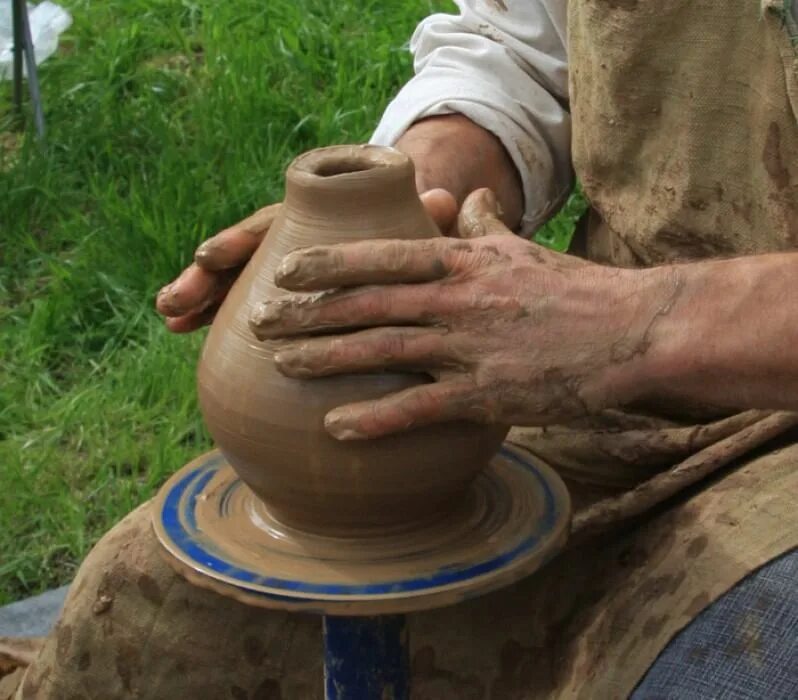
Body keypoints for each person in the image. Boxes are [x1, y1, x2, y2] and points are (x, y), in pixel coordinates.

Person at [9, 1, 797, 698]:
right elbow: (526, 51)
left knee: (723, 666)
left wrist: (644, 324)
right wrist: (397, 211)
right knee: (144, 604)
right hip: (600, 384)